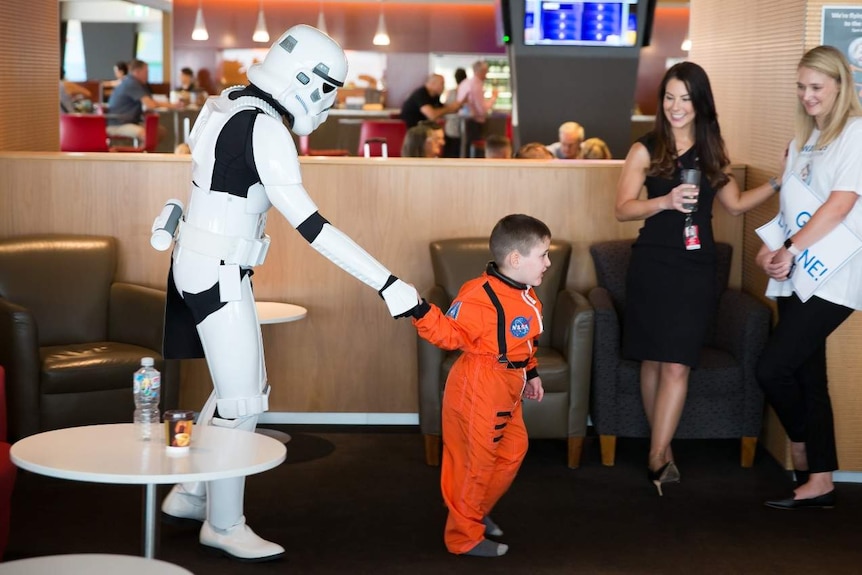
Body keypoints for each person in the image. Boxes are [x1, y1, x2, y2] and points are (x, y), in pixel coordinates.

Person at [157, 24, 420, 561]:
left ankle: (191, 491)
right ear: (302, 79)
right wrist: (388, 283)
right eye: (327, 89)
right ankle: (224, 524)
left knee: (237, 386)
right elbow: (313, 227)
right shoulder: (264, 129)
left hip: (204, 262)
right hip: (217, 267)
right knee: (244, 399)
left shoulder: (227, 103)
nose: (327, 103)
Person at [615, 61, 780, 495]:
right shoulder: (646, 148)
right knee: (652, 359)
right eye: (669, 97)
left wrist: (780, 181)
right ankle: (662, 450)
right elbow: (623, 208)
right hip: (653, 265)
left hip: (695, 270)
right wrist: (666, 202)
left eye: (685, 98)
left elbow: (737, 204)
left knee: (676, 363)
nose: (675, 106)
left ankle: (655, 454)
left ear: (700, 103)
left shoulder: (711, 151)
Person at [756, 45, 862, 510]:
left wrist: (792, 248)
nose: (808, 96)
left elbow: (840, 205)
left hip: (835, 276)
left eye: (816, 87)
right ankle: (821, 478)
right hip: (795, 274)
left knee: (772, 367)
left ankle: (803, 446)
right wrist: (769, 249)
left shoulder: (855, 135)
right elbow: (790, 209)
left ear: (841, 84)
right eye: (802, 87)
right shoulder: (801, 143)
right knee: (807, 376)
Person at [409, 213, 549, 557]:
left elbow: (524, 342)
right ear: (516, 259)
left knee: (513, 451)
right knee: (476, 463)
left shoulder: (527, 294)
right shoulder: (478, 295)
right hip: (479, 385)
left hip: (510, 385)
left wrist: (531, 373)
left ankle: (471, 511)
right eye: (543, 255)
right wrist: (417, 309)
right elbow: (448, 334)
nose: (548, 262)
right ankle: (463, 537)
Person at [106, 59, 179, 144]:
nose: (148, 75)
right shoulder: (131, 83)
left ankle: (147, 153)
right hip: (118, 124)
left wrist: (171, 105)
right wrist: (173, 105)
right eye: (146, 72)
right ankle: (142, 156)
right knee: (145, 134)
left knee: (159, 131)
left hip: (128, 122)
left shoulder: (135, 83)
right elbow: (150, 104)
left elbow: (150, 101)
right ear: (137, 72)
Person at [456, 61, 498, 155]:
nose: (486, 75)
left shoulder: (465, 82)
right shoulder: (476, 84)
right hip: (474, 122)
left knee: (465, 148)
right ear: (481, 71)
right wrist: (493, 97)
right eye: (486, 71)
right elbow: (481, 109)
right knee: (474, 149)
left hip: (465, 121)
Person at [442, 67, 467, 158]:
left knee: (451, 152)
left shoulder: (451, 92)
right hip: (462, 127)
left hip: (451, 127)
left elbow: (446, 109)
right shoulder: (467, 93)